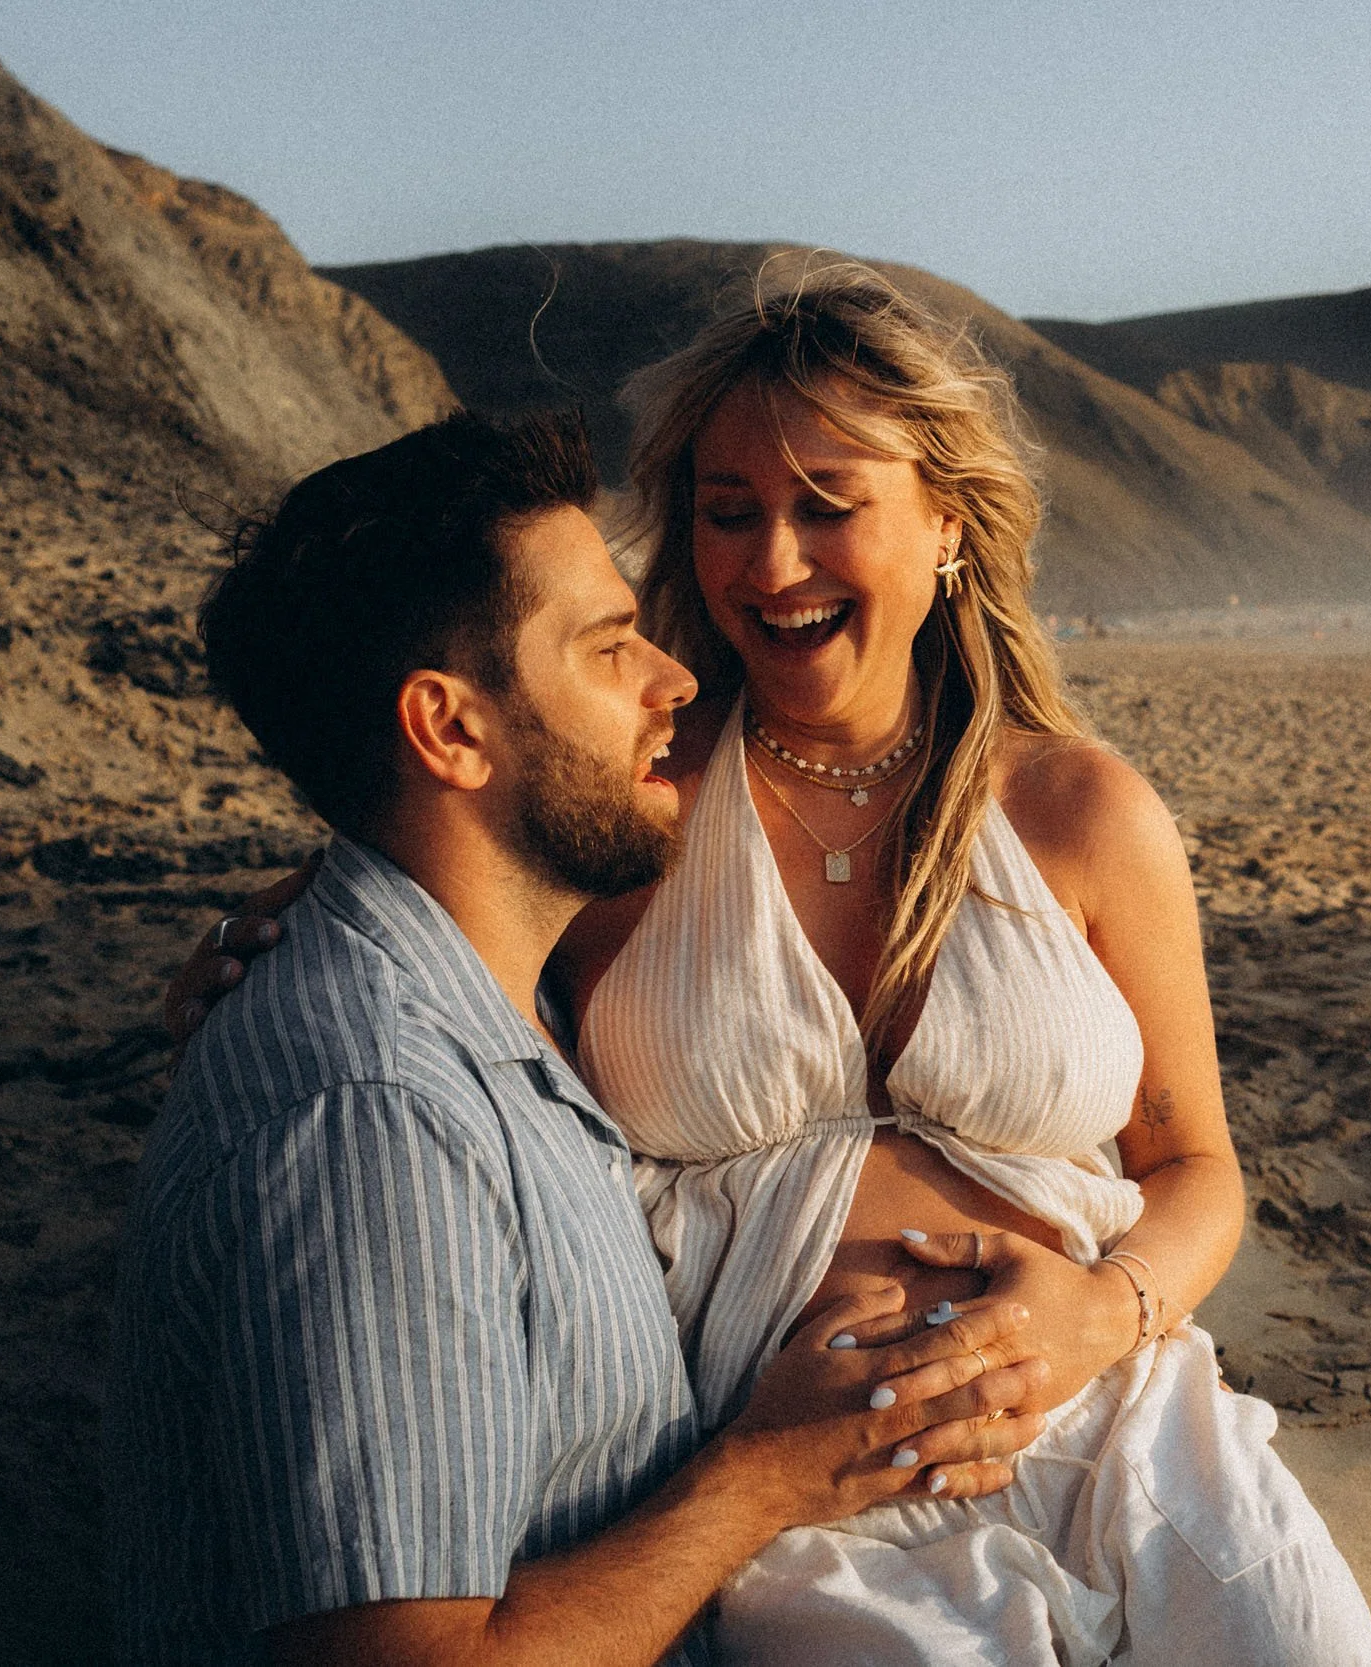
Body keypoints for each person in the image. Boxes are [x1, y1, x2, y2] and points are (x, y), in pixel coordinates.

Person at [175, 266, 1371, 1665]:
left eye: (828, 502)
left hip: (1125, 1420)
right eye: (728, 511)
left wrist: (1098, 1314)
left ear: (946, 519)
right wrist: (266, 932)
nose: (771, 562)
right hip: (795, 1492)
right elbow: (439, 863)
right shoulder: (630, 816)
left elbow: (1197, 1164)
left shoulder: (1084, 814)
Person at [109, 410, 1050, 1667]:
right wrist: (762, 1475)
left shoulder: (492, 1002)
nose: (674, 678)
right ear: (450, 730)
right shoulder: (380, 1123)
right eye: (610, 648)